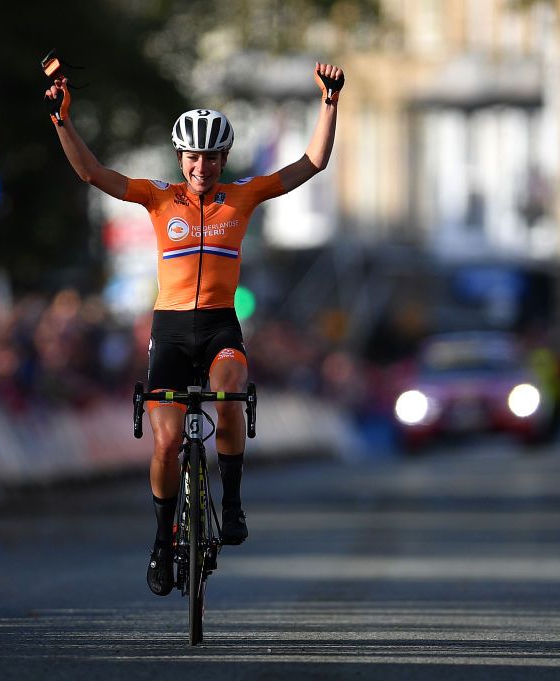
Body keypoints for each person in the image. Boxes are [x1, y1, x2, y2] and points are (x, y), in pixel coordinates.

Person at [44, 61, 344, 596]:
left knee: (229, 394)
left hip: (221, 327)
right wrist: (63, 122)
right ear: (180, 159)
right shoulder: (158, 197)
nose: (201, 165)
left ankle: (231, 504)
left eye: (210, 156)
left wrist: (329, 103)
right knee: (167, 441)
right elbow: (93, 174)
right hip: (172, 330)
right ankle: (163, 540)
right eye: (192, 156)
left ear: (223, 158)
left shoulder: (243, 195)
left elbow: (312, 162)